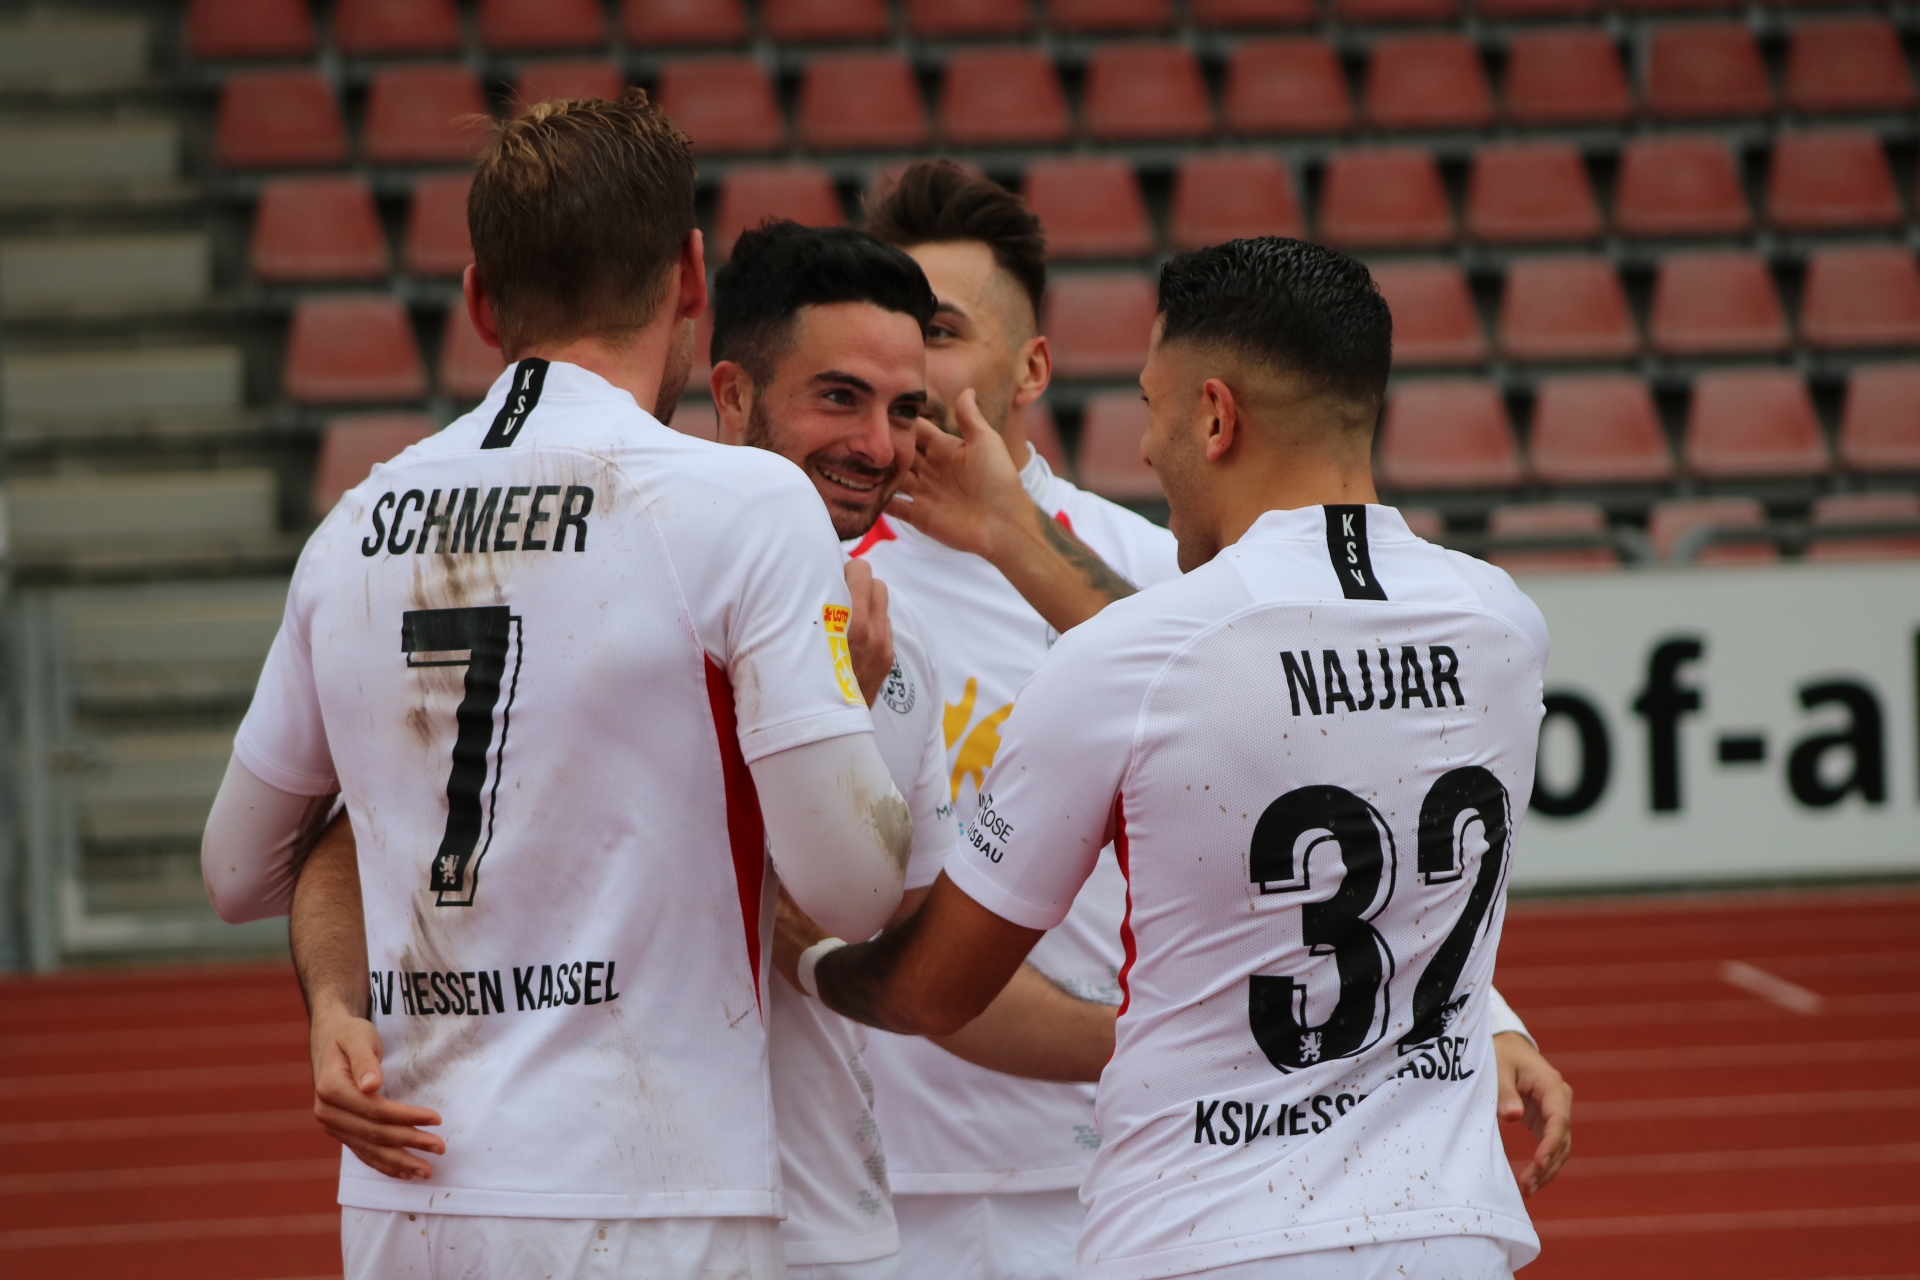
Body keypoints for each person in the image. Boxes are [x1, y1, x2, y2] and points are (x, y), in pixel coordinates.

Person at [199, 91, 912, 1280]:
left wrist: (337, 997)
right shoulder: (743, 504)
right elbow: (854, 883)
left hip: (410, 1190)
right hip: (650, 1189)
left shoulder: (355, 521)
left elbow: (238, 868)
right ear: (691, 275)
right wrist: (849, 700)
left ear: (479, 298)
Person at [832, 161, 1569, 1280]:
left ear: (1032, 366)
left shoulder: (1154, 583)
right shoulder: (1501, 619)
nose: (910, 366)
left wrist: (1489, 1014)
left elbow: (1318, 774)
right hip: (896, 1165)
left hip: (1139, 1177)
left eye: (938, 330)